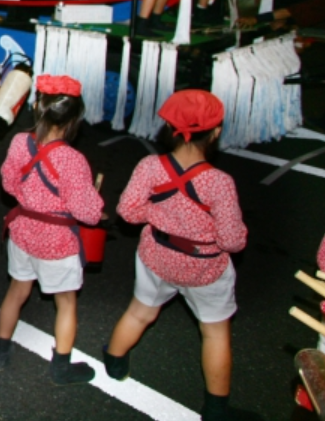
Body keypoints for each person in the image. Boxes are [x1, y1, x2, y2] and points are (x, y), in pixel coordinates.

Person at [103, 90, 250, 421]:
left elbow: (128, 212)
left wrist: (156, 216)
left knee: (140, 312)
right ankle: (215, 409)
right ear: (215, 133)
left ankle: (114, 360)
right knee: (214, 331)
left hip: (156, 255)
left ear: (169, 129)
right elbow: (232, 241)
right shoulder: (220, 183)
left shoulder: (150, 166)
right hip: (204, 268)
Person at [0, 75, 103, 384]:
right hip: (58, 243)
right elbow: (88, 212)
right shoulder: (73, 160)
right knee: (65, 301)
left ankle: (0, 350)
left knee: (16, 291)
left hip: (23, 232)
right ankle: (61, 366)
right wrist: (96, 201)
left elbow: (9, 183)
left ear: (38, 109)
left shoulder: (19, 142)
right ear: (74, 119)